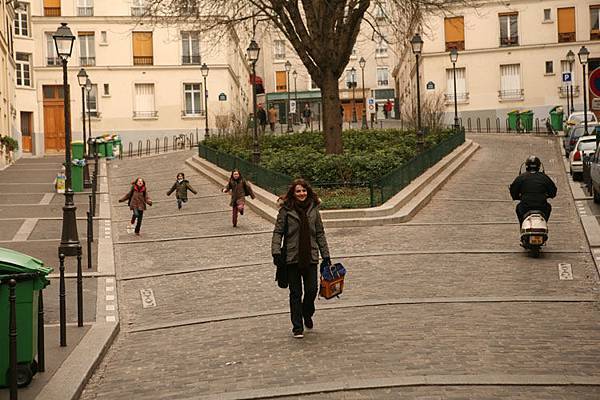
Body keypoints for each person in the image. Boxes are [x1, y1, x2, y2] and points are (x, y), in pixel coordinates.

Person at [271, 179, 331, 339]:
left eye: (304, 191)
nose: (301, 194)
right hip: (292, 257)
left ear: (308, 192)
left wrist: (326, 255)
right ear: (293, 193)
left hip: (310, 255)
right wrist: (276, 252)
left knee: (311, 290)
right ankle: (297, 326)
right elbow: (278, 232)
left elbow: (319, 233)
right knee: (295, 292)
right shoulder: (286, 210)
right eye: (298, 191)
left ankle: (307, 313)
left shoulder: (314, 209)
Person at [509, 156, 557, 225]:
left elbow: (513, 192)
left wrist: (518, 197)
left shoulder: (521, 177)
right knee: (548, 207)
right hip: (542, 207)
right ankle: (544, 224)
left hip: (525, 207)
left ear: (526, 166)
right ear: (539, 166)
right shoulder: (544, 177)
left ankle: (522, 225)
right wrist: (547, 195)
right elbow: (553, 192)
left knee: (518, 208)